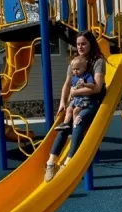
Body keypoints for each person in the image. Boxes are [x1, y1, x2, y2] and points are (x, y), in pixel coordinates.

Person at [44, 30, 106, 182]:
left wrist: (75, 92)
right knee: (64, 126)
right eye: (78, 44)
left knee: (79, 120)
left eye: (83, 43)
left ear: (91, 44)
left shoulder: (98, 61)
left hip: (92, 101)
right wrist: (62, 102)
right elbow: (67, 84)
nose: (80, 47)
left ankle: (68, 161)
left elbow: (97, 88)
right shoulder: (74, 63)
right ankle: (51, 162)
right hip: (76, 101)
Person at [54, 56, 95, 131]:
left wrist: (85, 84)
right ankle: (66, 123)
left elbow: (93, 85)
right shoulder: (74, 78)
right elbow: (72, 87)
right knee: (69, 109)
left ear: (84, 68)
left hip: (84, 99)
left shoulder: (87, 76)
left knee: (75, 111)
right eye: (73, 69)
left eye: (78, 69)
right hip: (76, 98)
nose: (75, 71)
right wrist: (70, 95)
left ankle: (75, 126)